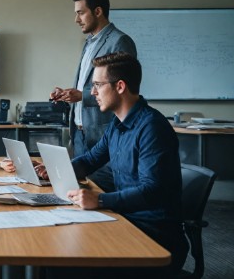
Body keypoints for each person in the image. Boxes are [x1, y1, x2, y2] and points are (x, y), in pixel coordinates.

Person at [40, 52, 188, 279]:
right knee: (53, 245)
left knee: (61, 261)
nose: (92, 92)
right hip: (126, 220)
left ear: (120, 86)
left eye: (98, 85)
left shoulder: (152, 128)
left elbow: (152, 190)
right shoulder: (117, 125)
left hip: (152, 235)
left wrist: (99, 200)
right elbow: (90, 160)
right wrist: (53, 170)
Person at [49, 0, 136, 192]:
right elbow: (90, 84)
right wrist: (69, 94)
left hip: (102, 132)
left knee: (104, 193)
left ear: (97, 11)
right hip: (80, 133)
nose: (76, 19)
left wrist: (82, 95)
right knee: (82, 191)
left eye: (80, 13)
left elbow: (124, 86)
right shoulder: (89, 43)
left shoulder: (119, 41)